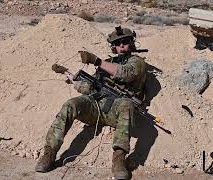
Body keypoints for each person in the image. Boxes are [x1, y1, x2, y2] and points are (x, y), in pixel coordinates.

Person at [35, 26, 147, 180]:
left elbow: (125, 74)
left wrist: (97, 61)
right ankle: (49, 153)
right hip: (97, 107)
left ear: (132, 43)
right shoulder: (107, 63)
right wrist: (69, 76)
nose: (121, 45)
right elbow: (90, 87)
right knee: (71, 104)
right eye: (117, 43)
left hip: (118, 112)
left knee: (126, 105)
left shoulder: (138, 63)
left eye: (125, 42)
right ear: (113, 46)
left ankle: (119, 160)